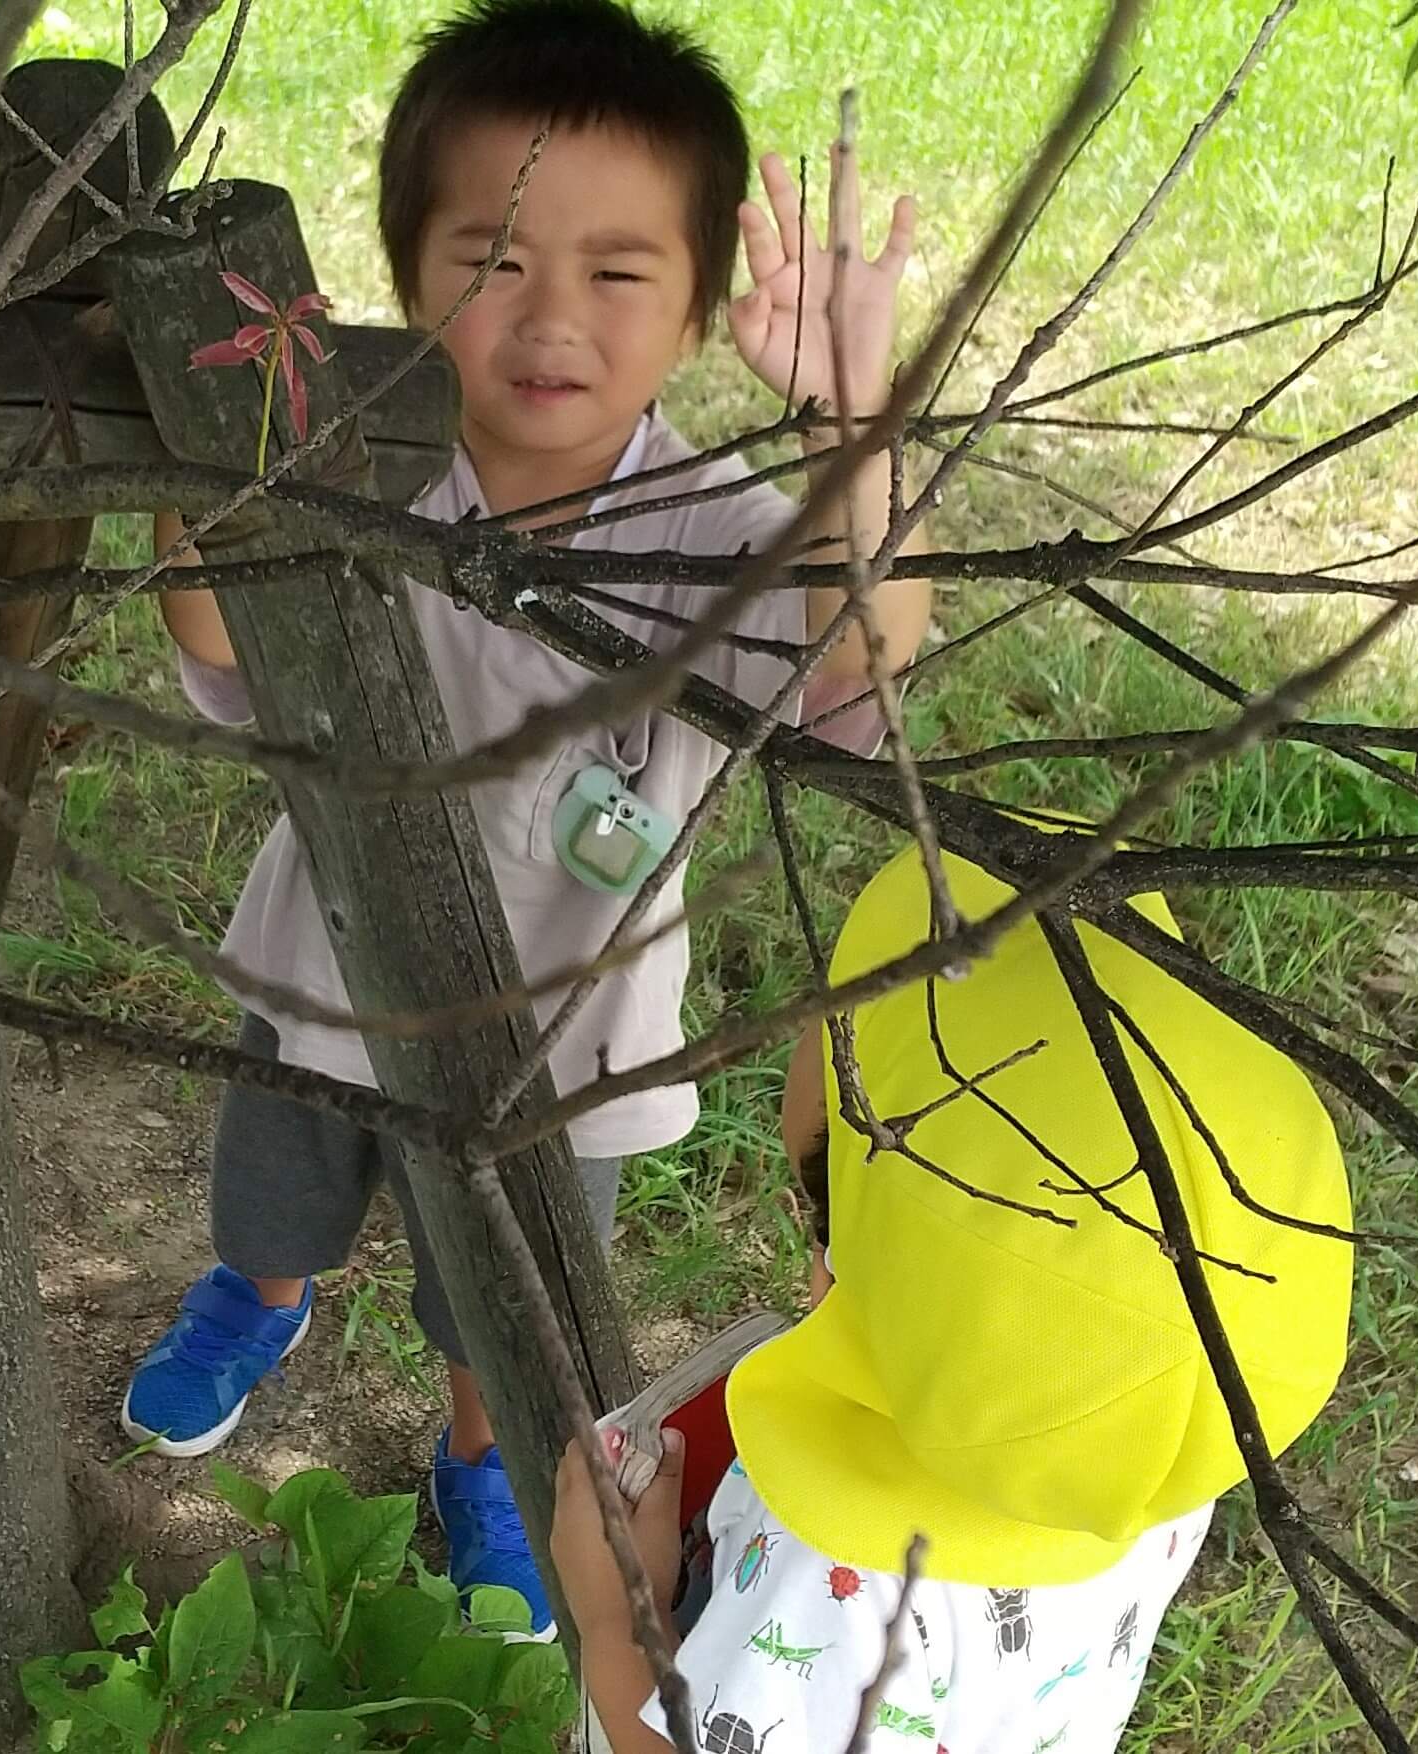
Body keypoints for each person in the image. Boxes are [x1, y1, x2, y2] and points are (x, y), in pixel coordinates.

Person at [124, 0, 932, 1638]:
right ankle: (259, 1299)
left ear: (697, 304)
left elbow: (861, 660)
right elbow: (213, 641)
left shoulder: (721, 531)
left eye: (616, 271)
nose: (548, 314)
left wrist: (864, 430)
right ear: (405, 273)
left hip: (561, 1043)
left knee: (494, 1293)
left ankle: (476, 1459)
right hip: (320, 969)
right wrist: (219, 461)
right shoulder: (358, 469)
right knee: (273, 1186)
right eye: (490, 257)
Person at [552, 844, 1355, 1750]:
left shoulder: (825, 1578)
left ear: (851, 1240)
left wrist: (620, 1621)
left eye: (844, 1007)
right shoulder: (1163, 1452)